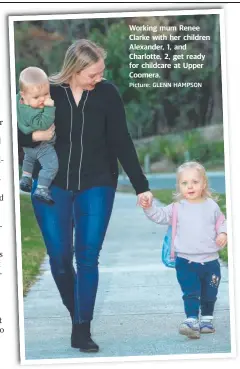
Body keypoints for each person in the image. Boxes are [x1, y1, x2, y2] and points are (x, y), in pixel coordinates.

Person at [18, 39, 153, 353]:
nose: (99, 78)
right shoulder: (46, 91)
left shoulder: (107, 94)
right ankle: (76, 310)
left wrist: (141, 185)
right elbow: (18, 130)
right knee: (61, 258)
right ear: (75, 70)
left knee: (88, 257)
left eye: (101, 72)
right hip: (51, 184)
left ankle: (82, 328)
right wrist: (35, 136)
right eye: (93, 74)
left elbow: (121, 140)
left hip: (98, 182)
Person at [140, 161, 227, 339]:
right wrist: (149, 207)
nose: (190, 186)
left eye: (195, 182)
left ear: (203, 184)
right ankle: (192, 320)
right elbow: (160, 216)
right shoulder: (177, 207)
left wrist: (223, 233)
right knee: (190, 292)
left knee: (210, 293)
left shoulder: (212, 206)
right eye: (184, 183)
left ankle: (207, 319)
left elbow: (221, 222)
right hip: (185, 261)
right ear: (179, 186)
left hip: (210, 261)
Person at [17, 66, 58, 204]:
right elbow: (42, 124)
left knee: (29, 159)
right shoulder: (31, 112)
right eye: (36, 97)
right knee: (51, 165)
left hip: (28, 147)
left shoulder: (19, 102)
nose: (42, 100)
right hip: (42, 146)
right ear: (23, 95)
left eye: (46, 94)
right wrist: (49, 108)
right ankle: (42, 188)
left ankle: (26, 177)